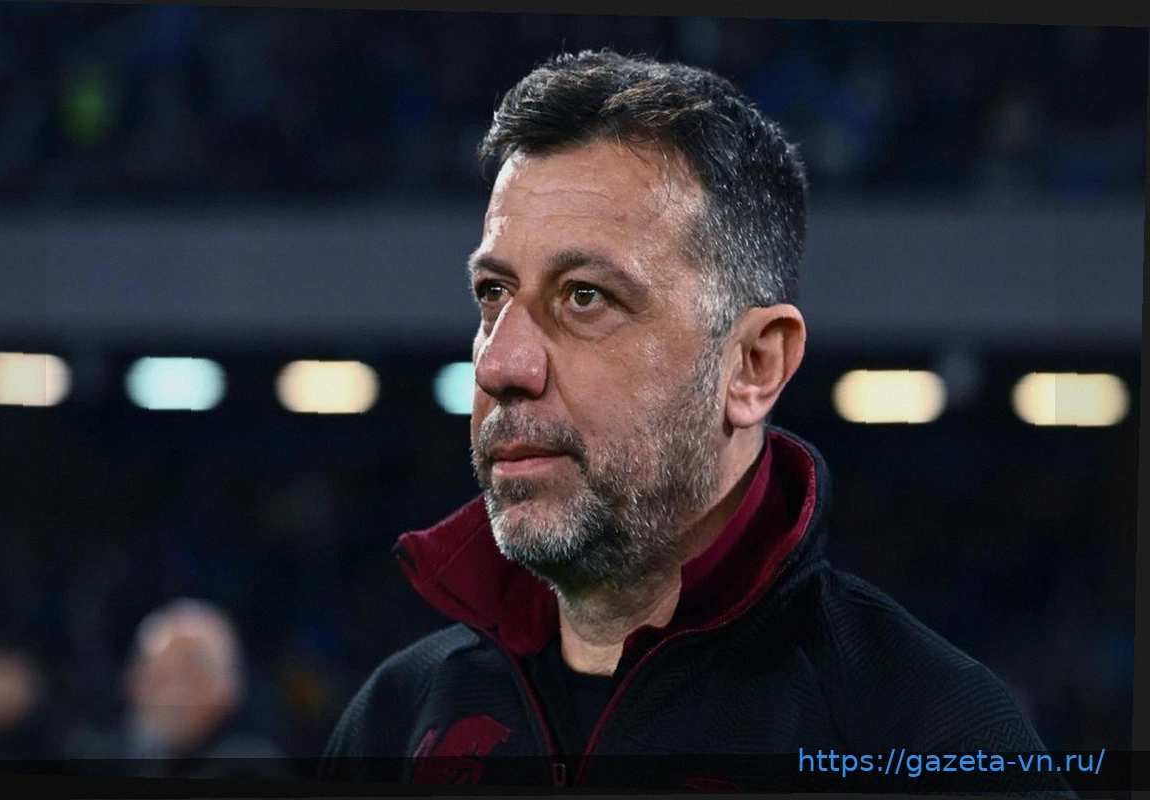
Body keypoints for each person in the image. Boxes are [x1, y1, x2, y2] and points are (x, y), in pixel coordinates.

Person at [322, 50, 1068, 792]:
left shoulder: (931, 736)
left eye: (584, 296)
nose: (499, 365)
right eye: (493, 294)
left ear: (753, 366)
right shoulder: (395, 719)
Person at [121, 598, 289, 779]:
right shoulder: (147, 763)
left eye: (160, 679)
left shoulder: (248, 766)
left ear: (219, 688)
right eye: (154, 677)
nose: (170, 694)